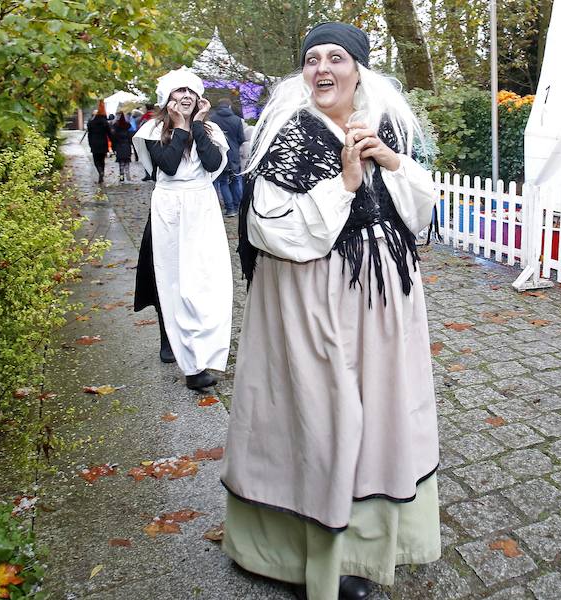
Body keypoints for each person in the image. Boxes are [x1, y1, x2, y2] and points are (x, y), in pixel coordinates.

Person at [220, 22, 440, 600]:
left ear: (358, 69)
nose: (322, 69)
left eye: (336, 58)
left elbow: (420, 214)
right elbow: (270, 228)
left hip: (386, 300)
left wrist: (391, 162)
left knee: (381, 414)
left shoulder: (385, 126)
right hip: (310, 297)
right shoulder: (290, 134)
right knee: (321, 415)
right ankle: (309, 557)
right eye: (312, 59)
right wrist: (342, 184)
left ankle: (373, 545)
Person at [131, 67, 233, 390]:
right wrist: (178, 128)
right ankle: (189, 362)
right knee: (177, 283)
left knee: (205, 280)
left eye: (191, 91)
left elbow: (213, 163)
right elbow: (171, 166)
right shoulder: (152, 131)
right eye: (179, 91)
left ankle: (205, 352)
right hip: (171, 211)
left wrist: (198, 126)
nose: (186, 96)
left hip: (202, 207)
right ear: (167, 99)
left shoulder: (210, 129)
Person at [208, 98, 246, 216]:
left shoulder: (212, 119)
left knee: (223, 181)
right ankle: (238, 205)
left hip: (219, 152)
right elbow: (242, 139)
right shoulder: (237, 120)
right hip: (233, 153)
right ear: (229, 107)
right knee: (235, 180)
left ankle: (230, 209)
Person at [86, 101, 111, 184]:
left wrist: (90, 143)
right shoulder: (105, 123)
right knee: (102, 159)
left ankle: (100, 171)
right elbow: (109, 133)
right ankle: (102, 172)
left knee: (96, 160)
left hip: (94, 143)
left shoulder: (91, 123)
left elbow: (89, 134)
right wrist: (113, 143)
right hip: (103, 143)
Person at [110, 112, 133, 182]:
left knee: (121, 162)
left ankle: (121, 175)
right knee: (127, 161)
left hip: (119, 146)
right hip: (126, 146)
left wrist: (113, 148)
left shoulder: (116, 129)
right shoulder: (127, 128)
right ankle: (128, 175)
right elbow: (130, 139)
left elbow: (114, 139)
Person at [139, 104, 157, 181]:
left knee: (147, 155)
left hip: (147, 138)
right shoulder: (157, 116)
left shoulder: (145, 117)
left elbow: (140, 127)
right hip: (157, 138)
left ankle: (148, 173)